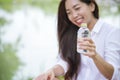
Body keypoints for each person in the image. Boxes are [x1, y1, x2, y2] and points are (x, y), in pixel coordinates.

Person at [35, 0, 120, 80]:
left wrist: (95, 56)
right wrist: (52, 71)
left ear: (91, 6)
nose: (74, 15)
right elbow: (65, 62)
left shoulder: (111, 32)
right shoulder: (72, 33)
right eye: (69, 13)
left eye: (77, 8)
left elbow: (114, 75)